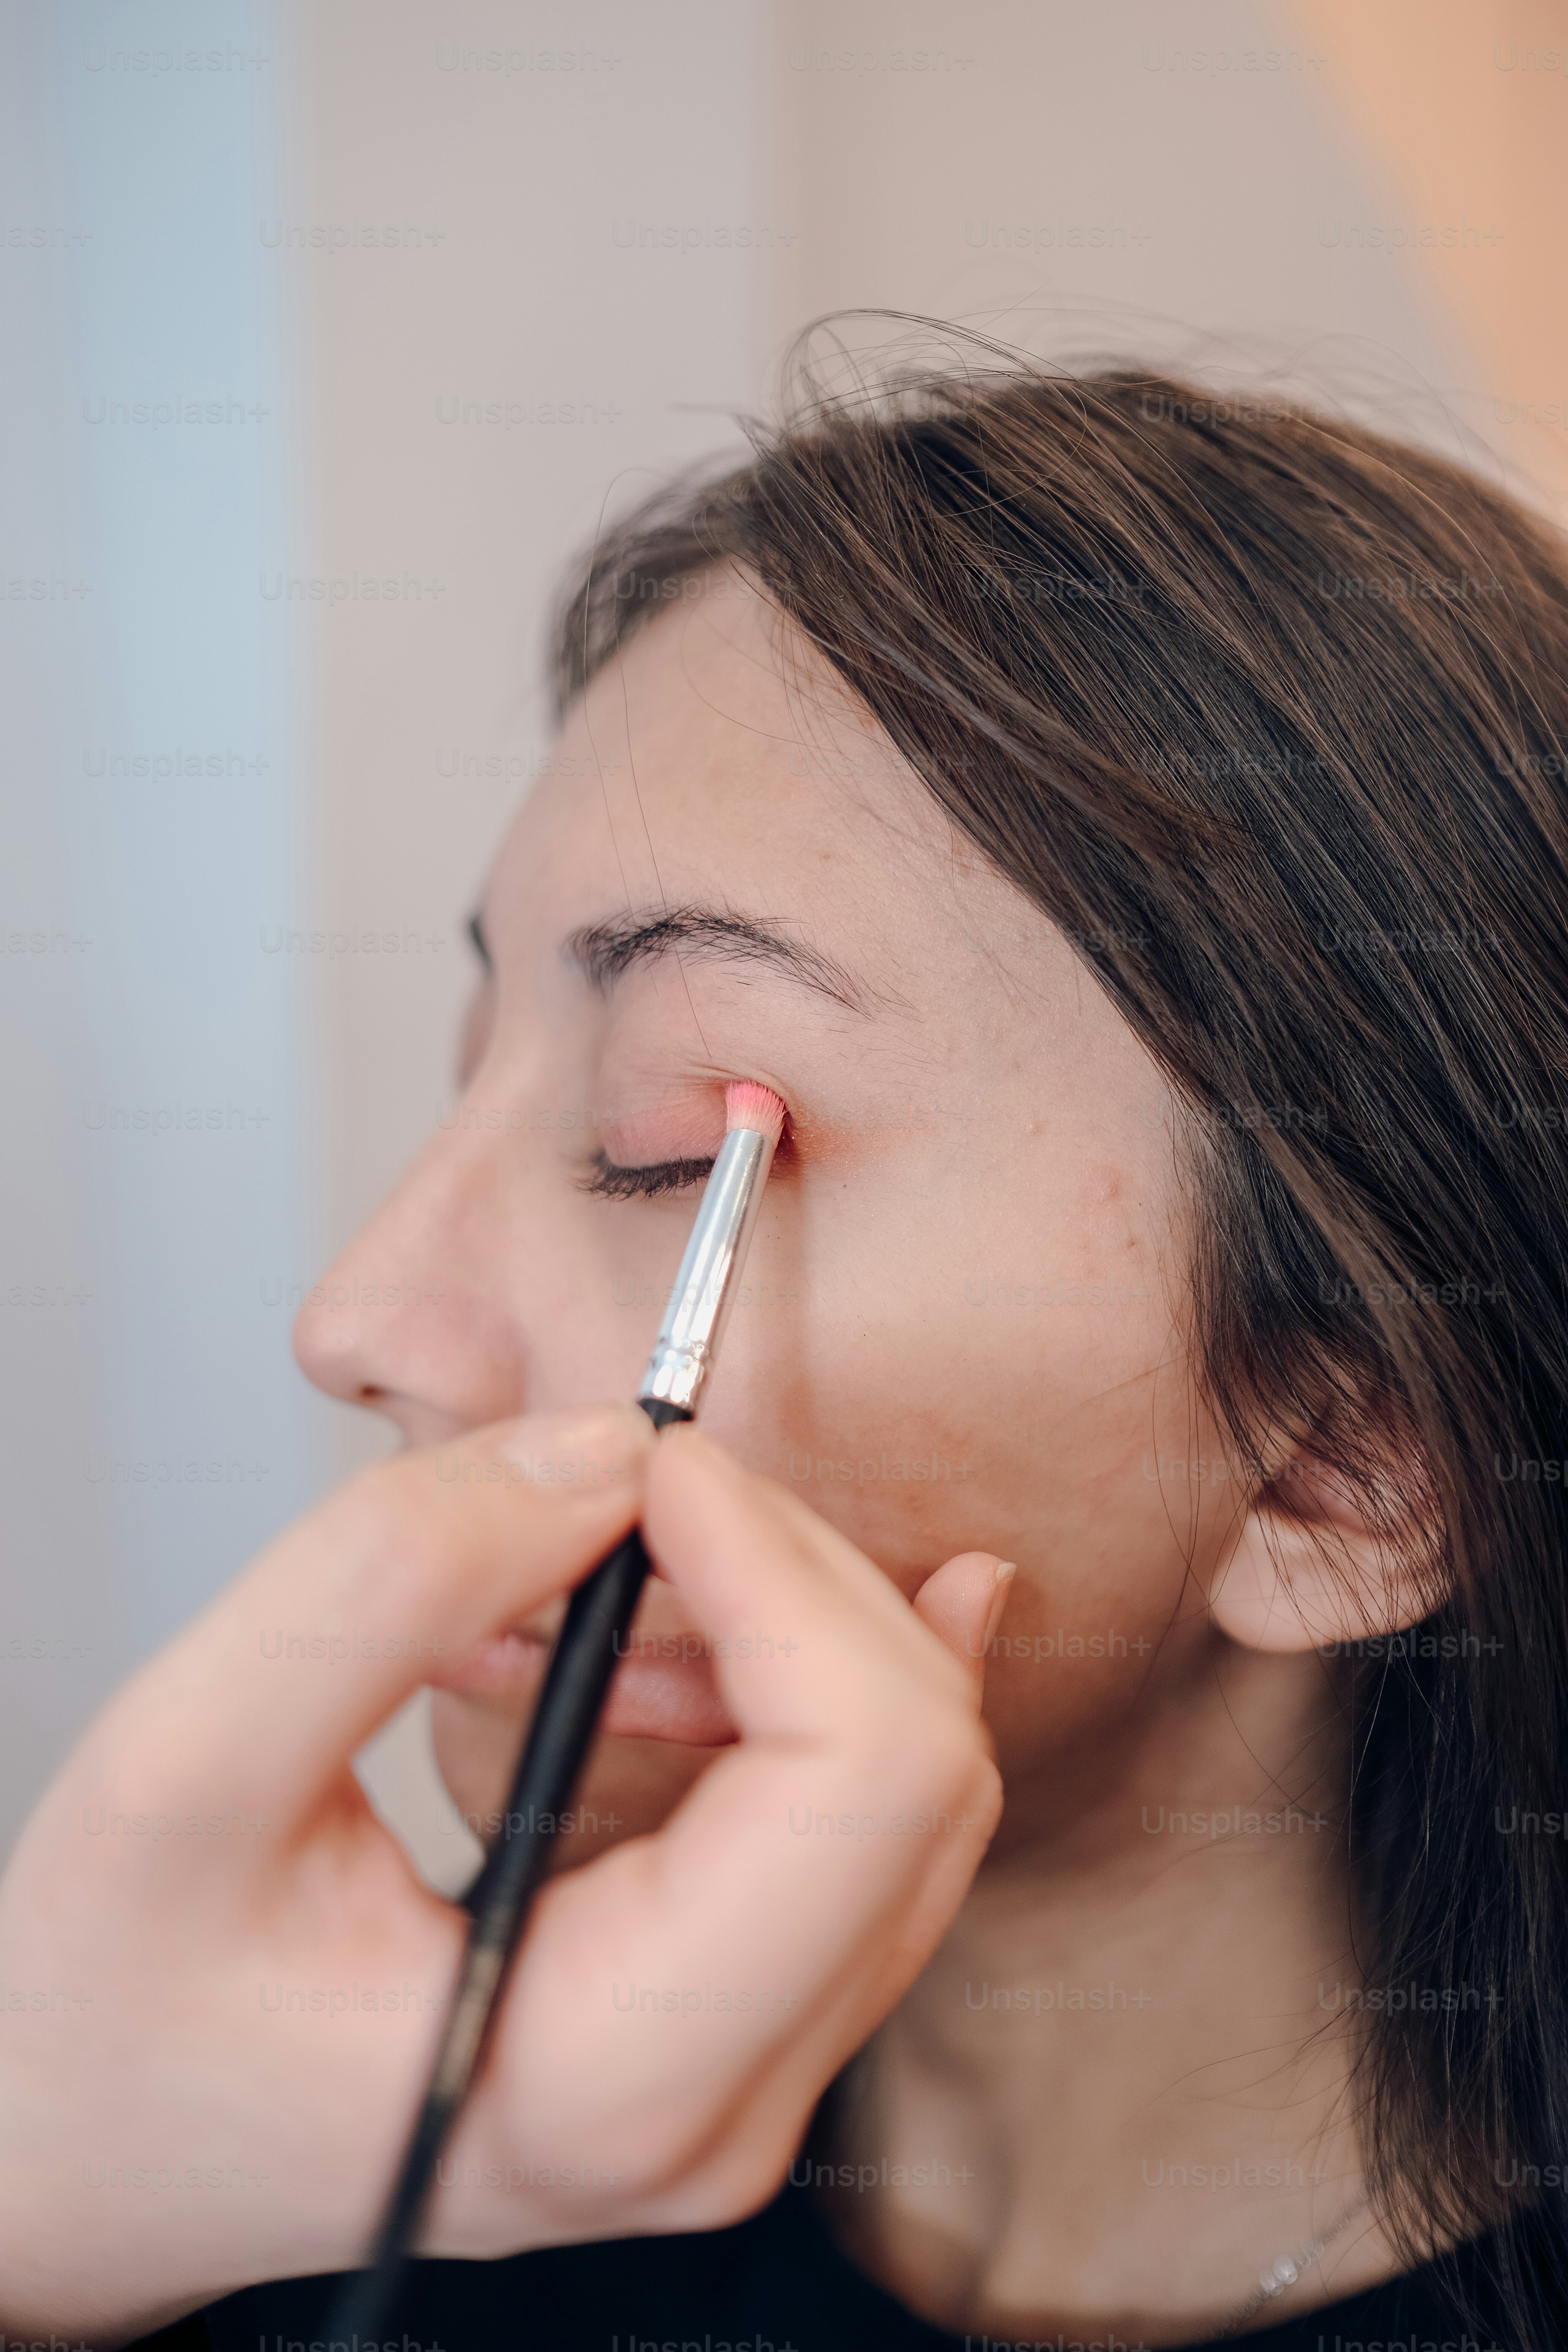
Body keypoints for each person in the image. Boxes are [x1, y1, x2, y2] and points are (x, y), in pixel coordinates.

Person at [4, 349, 1566, 2350]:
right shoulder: (295, 2199)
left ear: (1347, 1460)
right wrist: (51, 2195)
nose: (362, 1326)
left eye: (663, 1146)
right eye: (472, 1068)